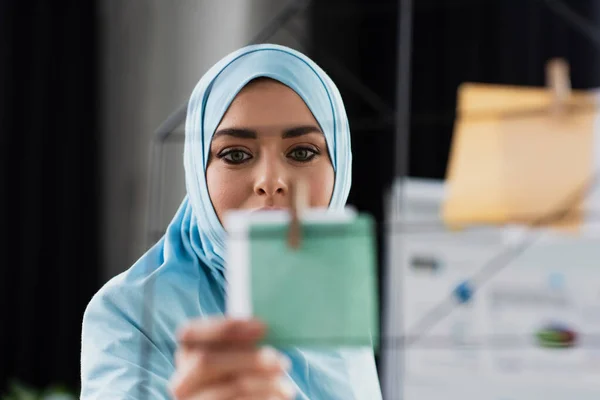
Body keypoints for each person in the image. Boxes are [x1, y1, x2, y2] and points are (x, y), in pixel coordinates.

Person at [80, 43, 382, 400]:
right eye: (236, 154)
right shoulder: (130, 313)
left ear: (340, 166)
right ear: (197, 170)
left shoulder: (336, 296)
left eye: (302, 152)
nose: (270, 182)